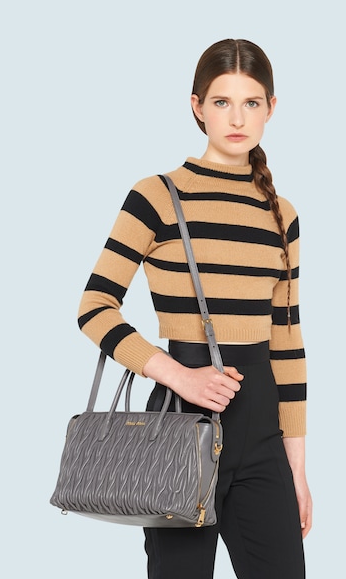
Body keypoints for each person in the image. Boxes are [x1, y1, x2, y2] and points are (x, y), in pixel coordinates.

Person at [78, 38, 312, 579]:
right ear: (197, 106)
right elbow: (95, 307)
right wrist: (179, 376)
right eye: (222, 102)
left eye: (251, 103)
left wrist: (297, 469)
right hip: (178, 425)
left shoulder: (282, 215)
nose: (237, 118)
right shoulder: (156, 197)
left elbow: (287, 344)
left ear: (271, 108)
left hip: (262, 434)